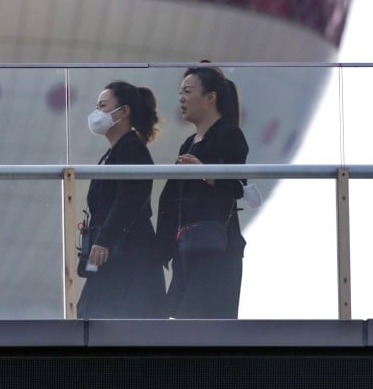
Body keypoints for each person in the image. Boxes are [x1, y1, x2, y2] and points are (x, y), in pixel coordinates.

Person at [156, 65, 249, 318]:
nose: (181, 99)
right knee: (179, 323)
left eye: (188, 91)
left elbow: (237, 186)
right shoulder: (188, 142)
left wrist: (204, 172)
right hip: (187, 248)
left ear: (211, 97)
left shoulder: (230, 135)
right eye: (180, 92)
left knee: (205, 329)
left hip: (216, 251)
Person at [77, 80, 165, 319]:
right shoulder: (117, 151)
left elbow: (130, 197)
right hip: (117, 255)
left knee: (101, 321)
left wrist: (104, 239)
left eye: (103, 106)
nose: (97, 113)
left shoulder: (131, 148)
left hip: (127, 257)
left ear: (123, 111)